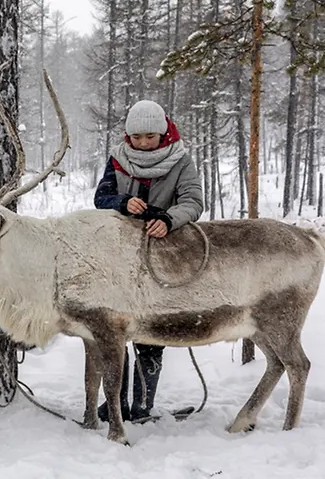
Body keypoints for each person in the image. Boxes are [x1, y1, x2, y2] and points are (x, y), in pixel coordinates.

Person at [93, 99, 204, 423]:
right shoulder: (118, 158)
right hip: (120, 253)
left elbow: (193, 201)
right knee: (114, 328)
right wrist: (123, 202)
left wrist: (169, 220)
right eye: (137, 137)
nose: (142, 143)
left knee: (150, 330)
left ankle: (142, 406)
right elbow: (101, 198)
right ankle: (115, 403)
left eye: (149, 137)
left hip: (163, 251)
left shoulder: (181, 160)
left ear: (163, 133)